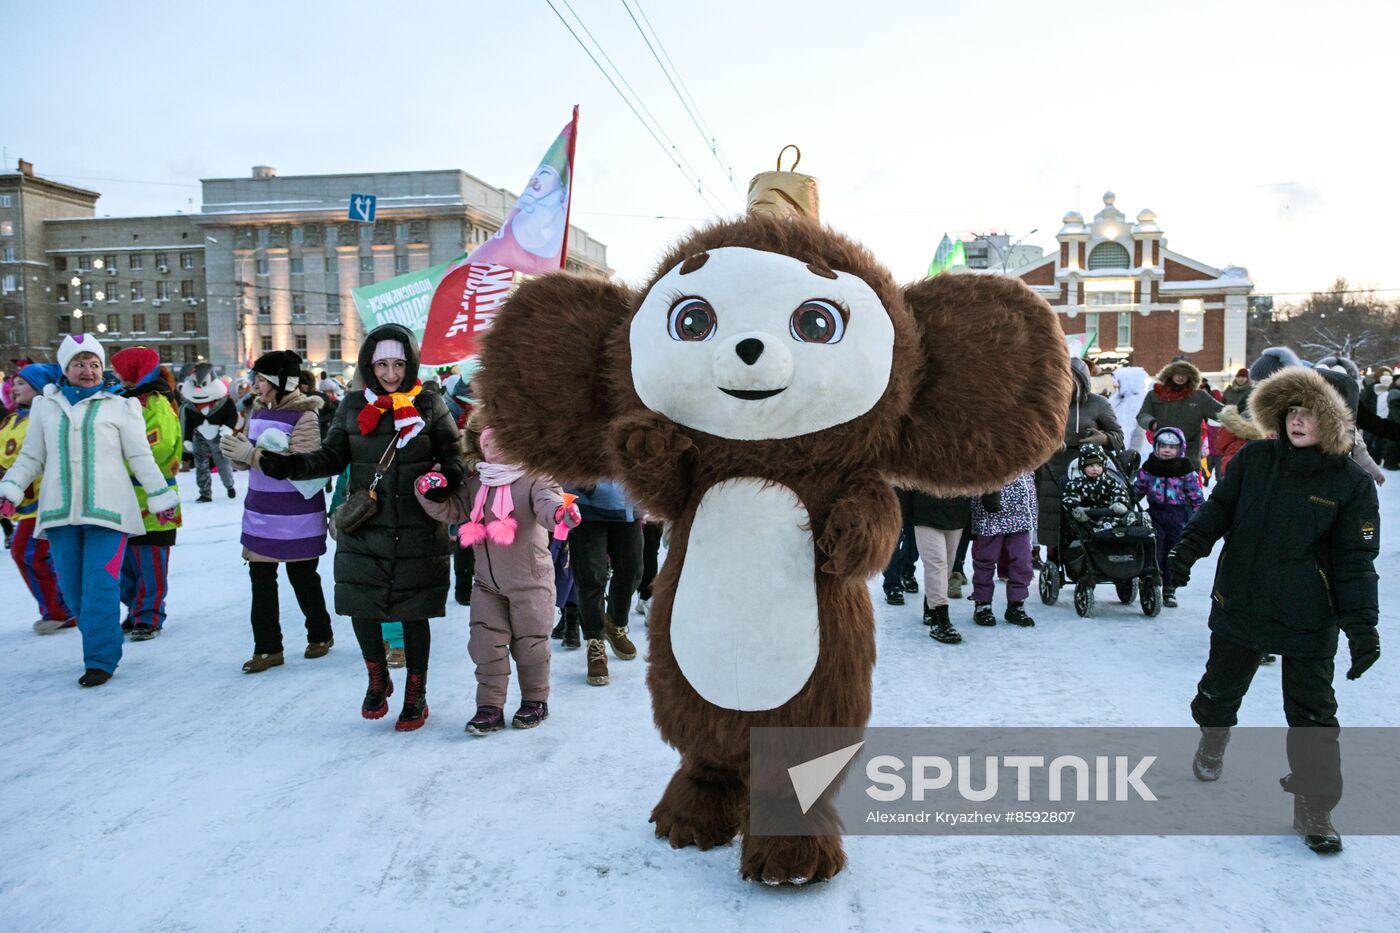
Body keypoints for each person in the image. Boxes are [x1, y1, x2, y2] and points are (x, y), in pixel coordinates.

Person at [1167, 366, 1380, 855]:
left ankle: (1315, 806)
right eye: (1292, 411)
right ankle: (1213, 736)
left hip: (1309, 613)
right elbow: (1217, 510)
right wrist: (1186, 551)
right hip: (1241, 599)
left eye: (1311, 412)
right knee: (1218, 693)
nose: (1298, 420)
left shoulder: (1351, 483)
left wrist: (1362, 628)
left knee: (1313, 717)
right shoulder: (1255, 460)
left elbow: (1355, 562)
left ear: (1335, 419)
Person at [258, 324, 463, 731]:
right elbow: (331, 456)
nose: (390, 374)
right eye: (382, 365)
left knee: (413, 613)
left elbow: (455, 456)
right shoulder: (354, 405)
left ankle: (416, 693)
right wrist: (290, 466)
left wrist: (444, 479)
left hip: (417, 526)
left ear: (411, 364)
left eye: (399, 364)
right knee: (361, 603)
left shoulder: (429, 404)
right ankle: (377, 676)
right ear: (369, 365)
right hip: (365, 522)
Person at [0, 336, 180, 687]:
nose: (88, 370)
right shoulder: (45, 407)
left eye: (94, 364)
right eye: (79, 364)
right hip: (60, 514)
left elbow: (140, 457)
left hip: (109, 512)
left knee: (100, 585)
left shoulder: (121, 406)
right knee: (72, 590)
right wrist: (12, 488)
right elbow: (31, 457)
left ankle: (100, 658)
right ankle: (99, 640)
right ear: (65, 368)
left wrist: (160, 495)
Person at [417, 421, 578, 734]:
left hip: (530, 581)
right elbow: (453, 509)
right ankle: (489, 707)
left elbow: (549, 504)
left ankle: (535, 700)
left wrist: (562, 514)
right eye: (488, 443)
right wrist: (427, 492)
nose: (494, 449)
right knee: (485, 644)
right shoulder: (477, 482)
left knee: (531, 645)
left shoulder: (535, 477)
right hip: (487, 584)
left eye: (501, 441)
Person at [219, 350, 335, 674]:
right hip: (262, 511)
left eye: (262, 380)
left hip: (296, 515)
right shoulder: (258, 411)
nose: (256, 385)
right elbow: (251, 456)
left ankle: (320, 633)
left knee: (302, 577)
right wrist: (236, 454)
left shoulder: (305, 415)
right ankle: (268, 648)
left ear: (281, 382)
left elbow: (301, 465)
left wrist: (251, 455)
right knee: (261, 580)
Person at [110, 348, 183, 640]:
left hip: (153, 496)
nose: (116, 375)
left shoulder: (156, 403)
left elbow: (159, 447)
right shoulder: (121, 400)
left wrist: (116, 459)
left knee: (150, 563)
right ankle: (135, 608)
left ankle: (149, 614)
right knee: (125, 564)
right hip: (124, 496)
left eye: (120, 370)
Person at [0, 363, 74, 633]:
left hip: (46, 501)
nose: (14, 387)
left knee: (30, 553)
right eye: (14, 382)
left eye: (22, 383)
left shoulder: (47, 417)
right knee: (30, 553)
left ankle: (61, 610)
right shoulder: (12, 419)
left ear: (39, 387)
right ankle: (57, 609)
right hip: (23, 503)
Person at [1036, 356, 1123, 559]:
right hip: (1051, 470)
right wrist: (1047, 442)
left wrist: (1103, 438)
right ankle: (1053, 560)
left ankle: (1089, 562)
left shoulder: (1098, 403)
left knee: (1086, 521)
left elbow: (1118, 437)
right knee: (1054, 522)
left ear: (1081, 379)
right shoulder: (1047, 403)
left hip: (1088, 471)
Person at [565, 480, 642, 686]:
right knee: (591, 577)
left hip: (628, 503)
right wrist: (589, 484)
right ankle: (595, 641)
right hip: (586, 505)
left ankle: (615, 623)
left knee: (632, 569)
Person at [1133, 427, 1203, 608]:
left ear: (1180, 449)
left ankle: (1170, 587)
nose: (1167, 450)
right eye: (1163, 446)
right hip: (1155, 513)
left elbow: (1195, 495)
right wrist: (1128, 499)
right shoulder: (1149, 468)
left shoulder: (1185, 469)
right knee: (1155, 546)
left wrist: (1199, 514)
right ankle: (1152, 579)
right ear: (1156, 446)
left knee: (1173, 551)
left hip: (1178, 515)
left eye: (1172, 447)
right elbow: (1139, 488)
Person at [970, 472, 1037, 628]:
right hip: (991, 508)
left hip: (1021, 510)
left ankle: (1016, 604)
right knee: (986, 558)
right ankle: (983, 603)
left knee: (1022, 560)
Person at [908, 490, 968, 644]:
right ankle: (940, 620)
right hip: (924, 512)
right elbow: (903, 479)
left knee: (947, 565)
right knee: (937, 564)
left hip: (956, 511)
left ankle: (931, 604)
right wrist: (903, 513)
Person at [1136, 358, 1223, 464]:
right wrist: (1151, 423)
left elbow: (1222, 413)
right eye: (1177, 373)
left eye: (1184, 374)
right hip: (1162, 454)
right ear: (1170, 374)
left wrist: (1237, 418)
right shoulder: (1155, 395)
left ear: (1190, 376)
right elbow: (1143, 415)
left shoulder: (1199, 396)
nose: (1180, 377)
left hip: (1189, 458)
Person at [1062, 443, 1133, 525]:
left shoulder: (1110, 481)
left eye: (1099, 465)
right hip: (1086, 518)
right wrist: (1075, 508)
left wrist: (1119, 503)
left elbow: (1119, 492)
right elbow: (1069, 497)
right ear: (1083, 467)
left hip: (1109, 515)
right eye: (1091, 466)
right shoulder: (1076, 483)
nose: (1095, 469)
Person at [881, 488, 920, 605]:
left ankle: (907, 570)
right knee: (892, 541)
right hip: (891, 493)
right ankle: (892, 584)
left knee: (915, 539)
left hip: (916, 493)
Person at [1108, 365, 1151, 459]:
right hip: (1116, 448)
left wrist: (1132, 454)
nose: (1115, 384)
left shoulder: (1138, 404)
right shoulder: (1115, 400)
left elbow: (1139, 434)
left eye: (1119, 381)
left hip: (1132, 453)